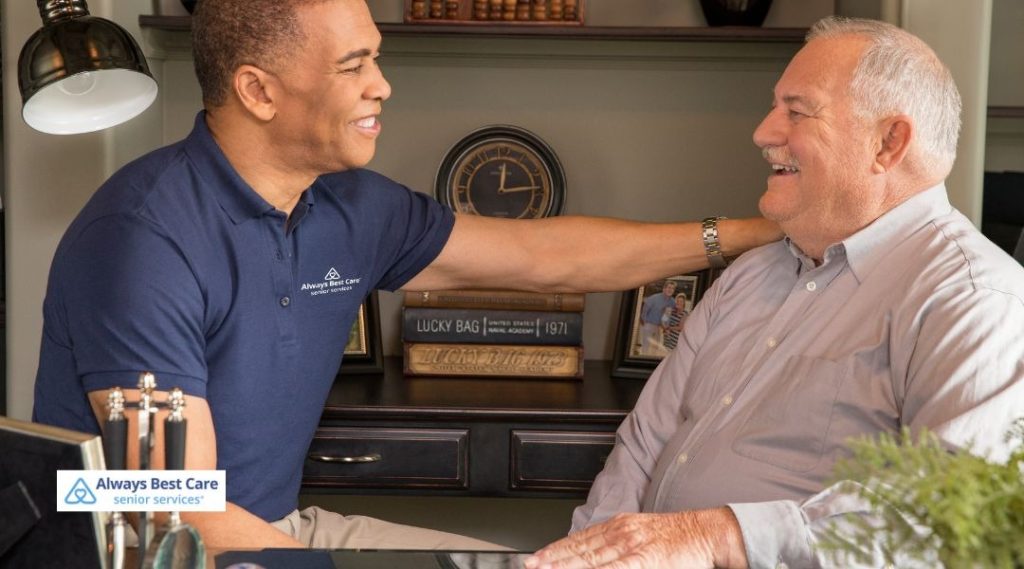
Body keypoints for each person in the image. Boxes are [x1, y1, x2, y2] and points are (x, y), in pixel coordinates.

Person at [30, 0, 782, 552]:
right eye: (353, 65)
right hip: (140, 549)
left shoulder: (351, 204)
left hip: (276, 528)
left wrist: (752, 233)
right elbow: (173, 508)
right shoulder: (140, 239)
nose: (382, 85)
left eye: (376, 58)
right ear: (258, 91)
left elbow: (545, 256)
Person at [527, 16, 1024, 569]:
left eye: (797, 111)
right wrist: (590, 552)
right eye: (774, 108)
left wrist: (716, 536)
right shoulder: (751, 275)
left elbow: (948, 521)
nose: (763, 133)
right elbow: (644, 445)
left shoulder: (974, 301)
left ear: (888, 143)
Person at [638, 280, 677, 356]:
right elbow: (644, 311)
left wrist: (665, 327)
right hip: (649, 324)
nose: (670, 290)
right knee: (646, 347)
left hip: (660, 328)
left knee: (656, 349)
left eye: (672, 288)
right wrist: (645, 323)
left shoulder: (672, 302)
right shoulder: (653, 298)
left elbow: (668, 316)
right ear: (664, 288)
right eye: (669, 287)